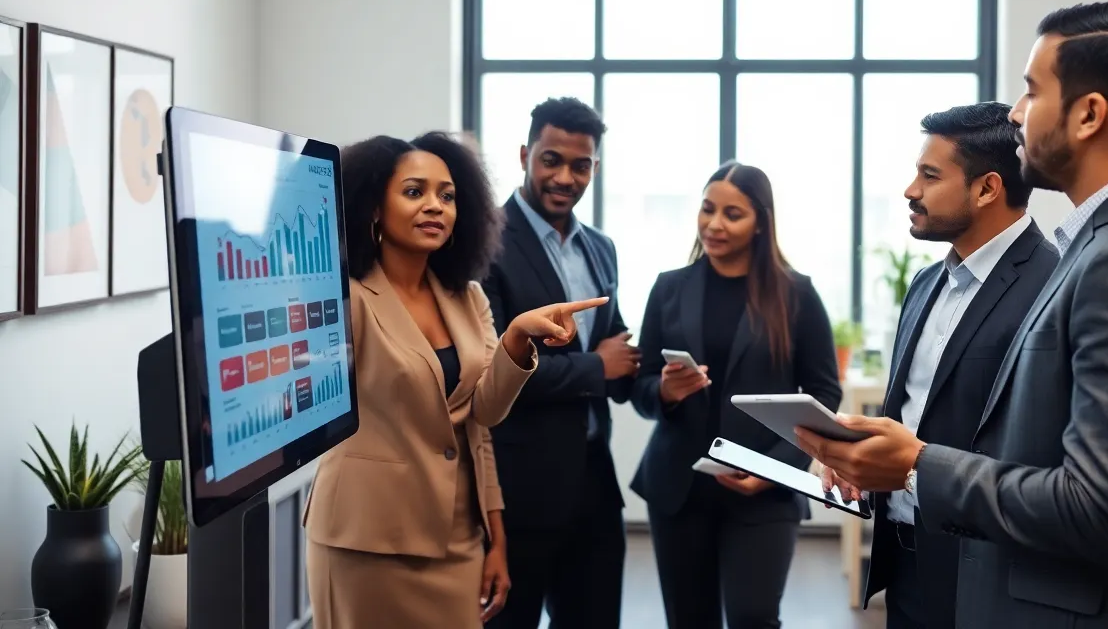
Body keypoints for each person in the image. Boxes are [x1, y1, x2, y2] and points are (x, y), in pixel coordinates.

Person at [797, 1, 1108, 629]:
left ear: (1089, 115)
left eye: (1033, 91)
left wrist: (917, 466)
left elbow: (1103, 512)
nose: (1015, 113)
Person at [303, 132, 607, 629]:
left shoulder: (467, 297)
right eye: (414, 192)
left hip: (457, 535)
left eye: (447, 196)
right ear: (374, 206)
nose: (435, 206)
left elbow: (483, 416)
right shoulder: (342, 295)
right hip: (365, 537)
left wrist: (517, 337)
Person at [864, 102, 1058, 629]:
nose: (911, 190)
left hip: (990, 571)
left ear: (987, 188)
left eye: (930, 176)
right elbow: (914, 413)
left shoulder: (1054, 284)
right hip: (906, 560)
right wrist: (859, 459)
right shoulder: (925, 284)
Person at [630, 161, 842, 629]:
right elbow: (639, 390)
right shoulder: (668, 288)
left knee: (753, 616)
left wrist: (773, 470)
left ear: (760, 223)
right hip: (679, 488)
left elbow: (824, 393)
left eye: (732, 214)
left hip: (766, 491)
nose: (714, 224)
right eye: (707, 209)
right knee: (689, 621)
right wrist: (664, 390)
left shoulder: (797, 294)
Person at [482, 97, 637, 629]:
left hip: (594, 483)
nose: (565, 177)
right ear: (525, 155)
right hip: (519, 491)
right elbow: (492, 372)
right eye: (551, 160)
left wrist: (653, 374)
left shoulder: (601, 248)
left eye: (581, 165)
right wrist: (598, 367)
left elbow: (614, 343)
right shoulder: (485, 243)